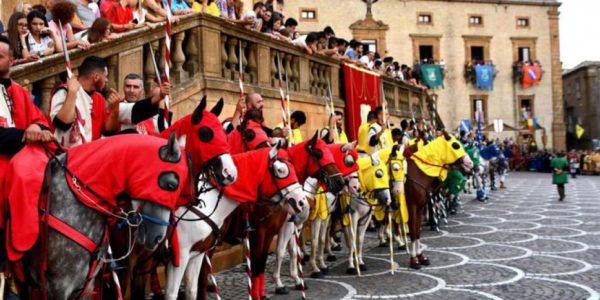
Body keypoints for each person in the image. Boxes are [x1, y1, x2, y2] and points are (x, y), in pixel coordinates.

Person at [49, 56, 122, 147]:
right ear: (96, 77)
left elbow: (108, 131)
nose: (107, 80)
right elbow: (62, 124)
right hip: (68, 155)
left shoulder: (99, 98)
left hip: (91, 154)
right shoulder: (64, 91)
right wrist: (72, 93)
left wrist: (114, 111)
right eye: (105, 76)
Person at [0, 35, 54, 158]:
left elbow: (40, 120)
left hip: (24, 158)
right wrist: (25, 135)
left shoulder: (19, 91)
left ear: (12, 61)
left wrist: (36, 127)